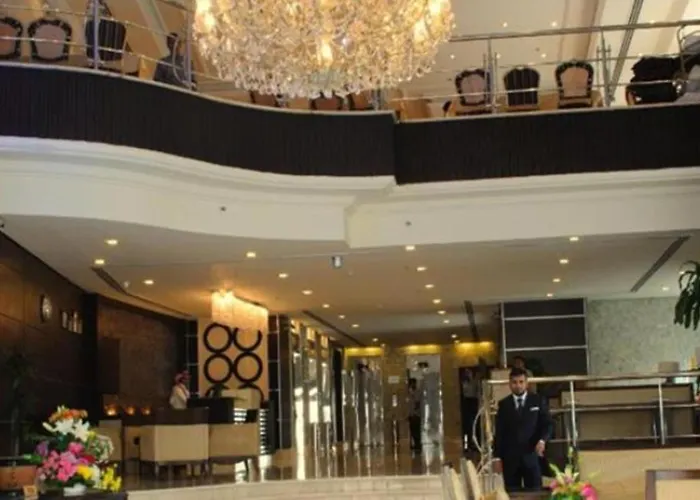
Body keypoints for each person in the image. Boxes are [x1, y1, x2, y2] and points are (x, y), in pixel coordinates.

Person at [493, 367, 552, 492]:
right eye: (514, 382)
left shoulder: (537, 400)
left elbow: (547, 424)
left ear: (526, 383)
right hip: (510, 459)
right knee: (512, 494)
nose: (518, 386)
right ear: (510, 384)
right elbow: (499, 432)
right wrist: (497, 457)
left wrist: (542, 440)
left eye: (521, 382)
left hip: (532, 456)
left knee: (535, 493)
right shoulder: (504, 404)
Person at [407, 378, 422, 451]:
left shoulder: (417, 392)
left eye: (413, 383)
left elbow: (417, 403)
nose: (412, 385)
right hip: (411, 414)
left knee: (416, 430)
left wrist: (415, 412)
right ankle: (415, 444)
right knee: (412, 430)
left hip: (416, 414)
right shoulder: (409, 392)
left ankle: (418, 444)